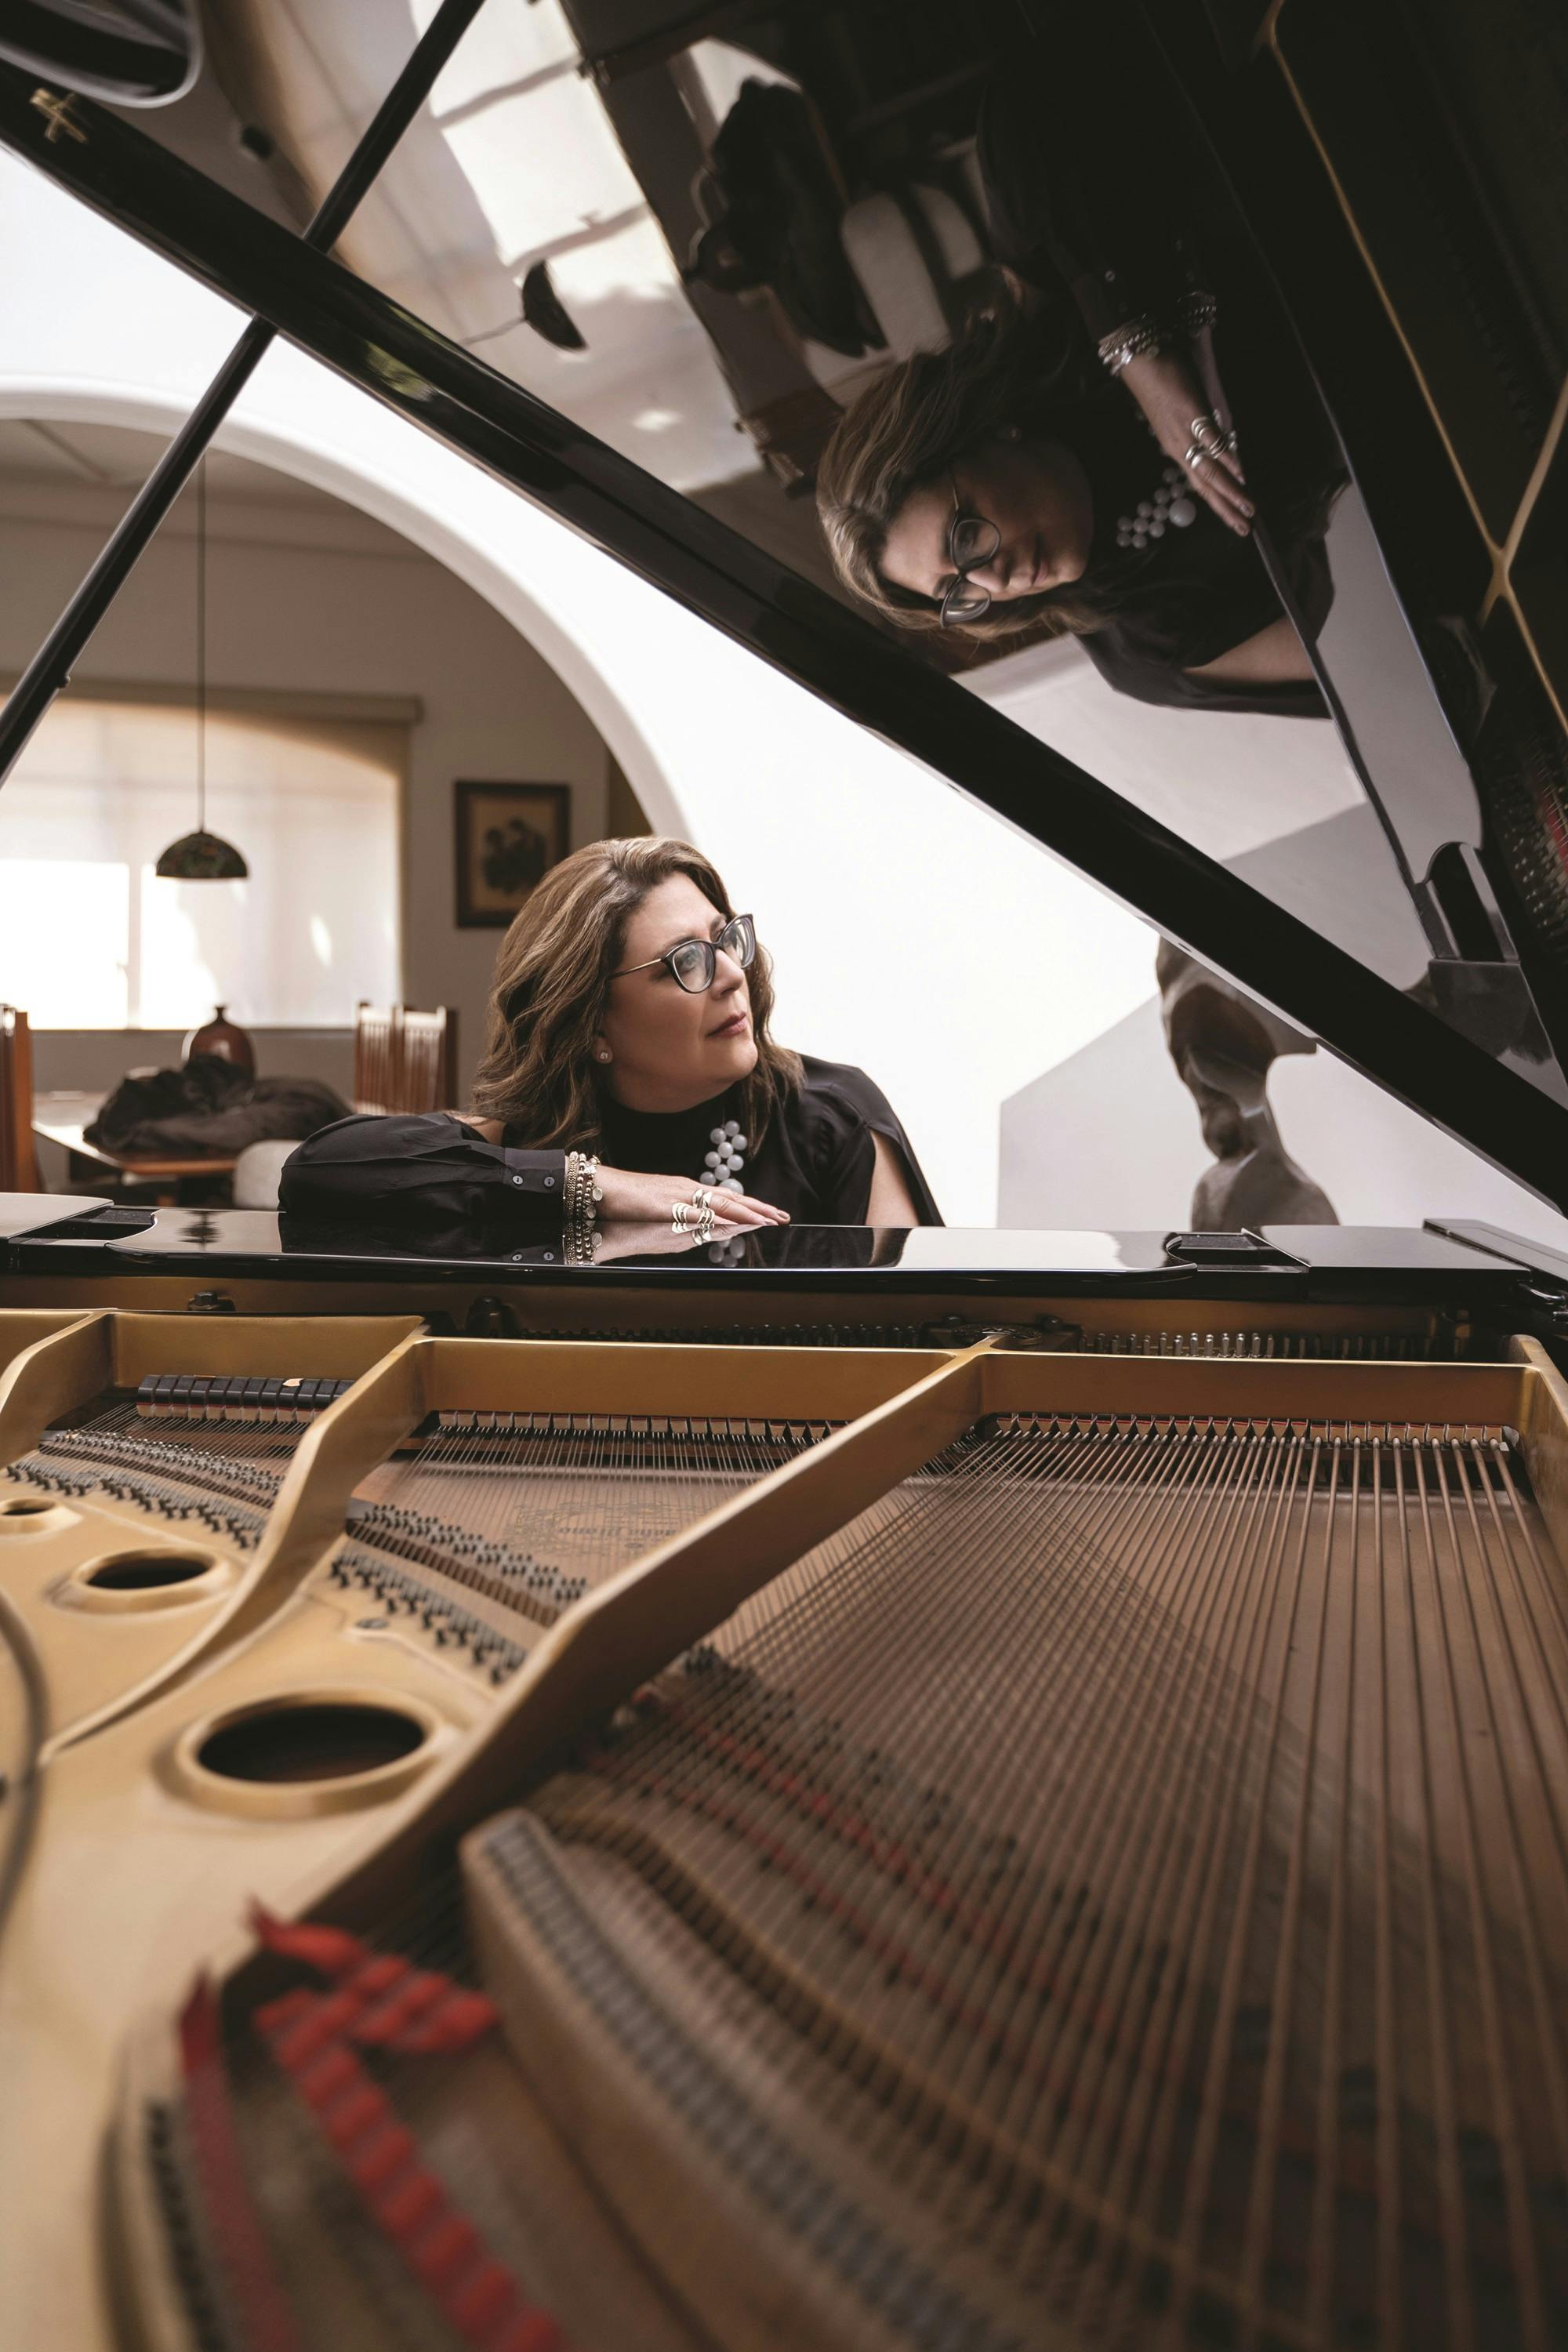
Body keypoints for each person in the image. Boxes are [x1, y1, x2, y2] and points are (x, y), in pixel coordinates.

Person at [815, 5, 1342, 719]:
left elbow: (1030, 90)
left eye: (964, 539)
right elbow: (1378, 664)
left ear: (985, 433)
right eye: (957, 593)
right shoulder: (1154, 646)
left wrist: (1137, 354)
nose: (994, 581)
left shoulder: (1053, 288)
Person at [280, 837, 939, 1237]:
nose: (733, 975)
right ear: (592, 1021)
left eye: (724, 940)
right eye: (686, 962)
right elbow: (318, 1169)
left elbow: (918, 1339)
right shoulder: (535, 1141)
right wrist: (594, 1185)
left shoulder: (833, 1117)